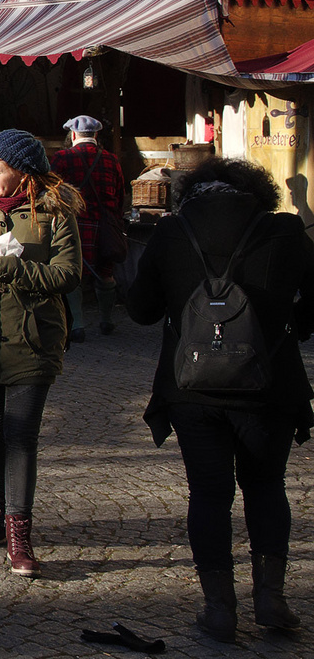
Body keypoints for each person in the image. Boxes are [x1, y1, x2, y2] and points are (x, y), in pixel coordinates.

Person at [123, 158, 314, 642]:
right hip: (267, 387)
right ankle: (272, 600)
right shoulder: (285, 231)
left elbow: (142, 311)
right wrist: (292, 325)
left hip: (192, 389)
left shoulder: (172, 232)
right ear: (256, 192)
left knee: (209, 495)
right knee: (267, 487)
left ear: (192, 193)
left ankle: (220, 609)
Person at [0, 129, 82, 579]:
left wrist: (10, 269)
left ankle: (19, 535)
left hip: (31, 342)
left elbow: (68, 273)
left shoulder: (55, 211)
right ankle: (5, 514)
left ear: (21, 172)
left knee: (21, 437)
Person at [50, 114, 127, 342]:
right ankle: (106, 320)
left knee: (74, 272)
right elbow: (120, 194)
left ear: (73, 135)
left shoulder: (62, 157)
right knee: (106, 272)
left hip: (76, 222)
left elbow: (53, 192)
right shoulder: (112, 160)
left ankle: (78, 324)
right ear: (95, 135)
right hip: (106, 224)